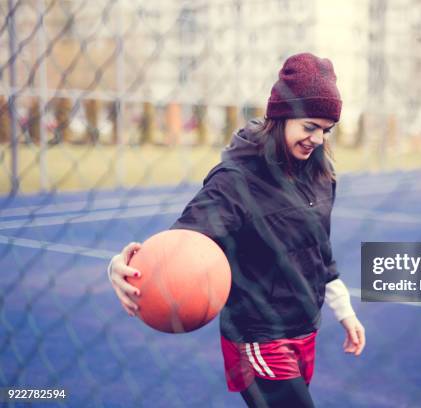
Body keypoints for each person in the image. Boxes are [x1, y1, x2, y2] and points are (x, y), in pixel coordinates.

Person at [107, 52, 365, 407]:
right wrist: (120, 267)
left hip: (306, 327)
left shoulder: (322, 175)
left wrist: (345, 310)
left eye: (325, 130)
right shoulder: (236, 180)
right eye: (309, 127)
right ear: (281, 116)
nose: (318, 139)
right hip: (257, 336)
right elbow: (182, 242)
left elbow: (320, 250)